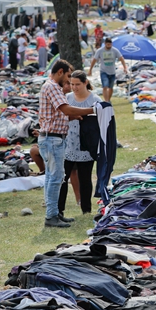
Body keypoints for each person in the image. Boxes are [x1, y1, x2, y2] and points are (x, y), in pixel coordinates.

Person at [38, 60, 95, 228]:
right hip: (53, 139)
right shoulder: (53, 87)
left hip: (51, 137)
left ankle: (54, 213)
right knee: (55, 178)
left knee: (51, 177)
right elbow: (66, 109)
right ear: (60, 72)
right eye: (69, 76)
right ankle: (51, 216)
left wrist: (74, 116)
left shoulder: (48, 86)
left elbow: (59, 114)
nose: (70, 82)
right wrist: (92, 110)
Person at [58, 71, 100, 216]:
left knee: (85, 179)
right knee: (63, 179)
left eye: (77, 84)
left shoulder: (95, 100)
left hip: (86, 146)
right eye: (71, 84)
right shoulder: (67, 98)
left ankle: (86, 210)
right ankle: (59, 210)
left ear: (85, 83)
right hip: (68, 144)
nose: (74, 87)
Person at [88, 38, 127, 103]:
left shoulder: (115, 50)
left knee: (111, 88)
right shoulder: (100, 51)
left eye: (110, 44)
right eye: (107, 44)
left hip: (112, 72)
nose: (109, 46)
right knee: (105, 86)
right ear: (105, 44)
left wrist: (125, 67)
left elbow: (121, 58)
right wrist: (90, 70)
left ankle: (108, 99)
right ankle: (106, 101)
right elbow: (94, 60)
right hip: (103, 71)